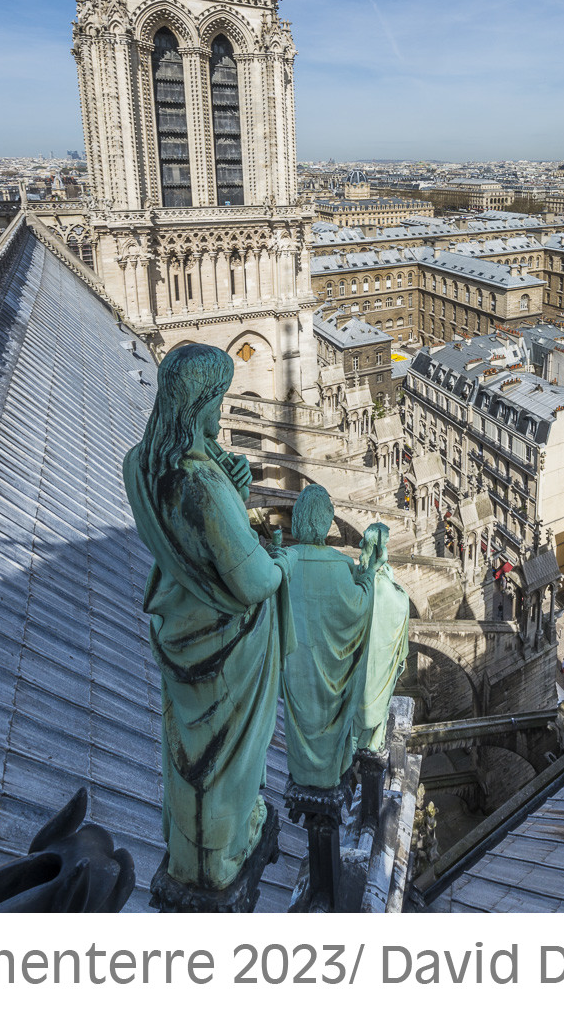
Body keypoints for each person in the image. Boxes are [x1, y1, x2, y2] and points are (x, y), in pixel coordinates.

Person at [123, 343, 295, 892]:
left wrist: (232, 487)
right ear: (197, 402)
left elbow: (185, 547)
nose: (221, 413)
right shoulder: (198, 482)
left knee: (186, 754)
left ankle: (186, 852)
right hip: (224, 640)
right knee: (226, 761)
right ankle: (221, 856)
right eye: (217, 400)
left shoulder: (140, 464)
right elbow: (253, 580)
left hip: (181, 631)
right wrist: (276, 558)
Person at [281, 485, 375, 788]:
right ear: (326, 520)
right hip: (331, 683)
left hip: (295, 675)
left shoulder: (283, 563)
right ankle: (329, 770)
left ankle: (304, 770)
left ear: (297, 520)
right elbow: (359, 608)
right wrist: (369, 575)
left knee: (299, 724)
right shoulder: (340, 565)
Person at [353, 523, 410, 754]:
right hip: (376, 659)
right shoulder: (383, 588)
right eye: (385, 543)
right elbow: (401, 605)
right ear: (379, 549)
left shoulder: (355, 576)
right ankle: (371, 742)